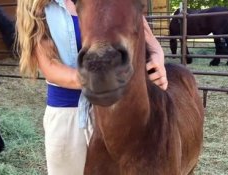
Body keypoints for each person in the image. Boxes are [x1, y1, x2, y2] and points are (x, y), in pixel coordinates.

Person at [16, 0, 168, 174]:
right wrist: (101, 78)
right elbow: (50, 68)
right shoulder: (34, 6)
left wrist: (157, 53)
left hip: (118, 113)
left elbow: (138, 23)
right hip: (68, 114)